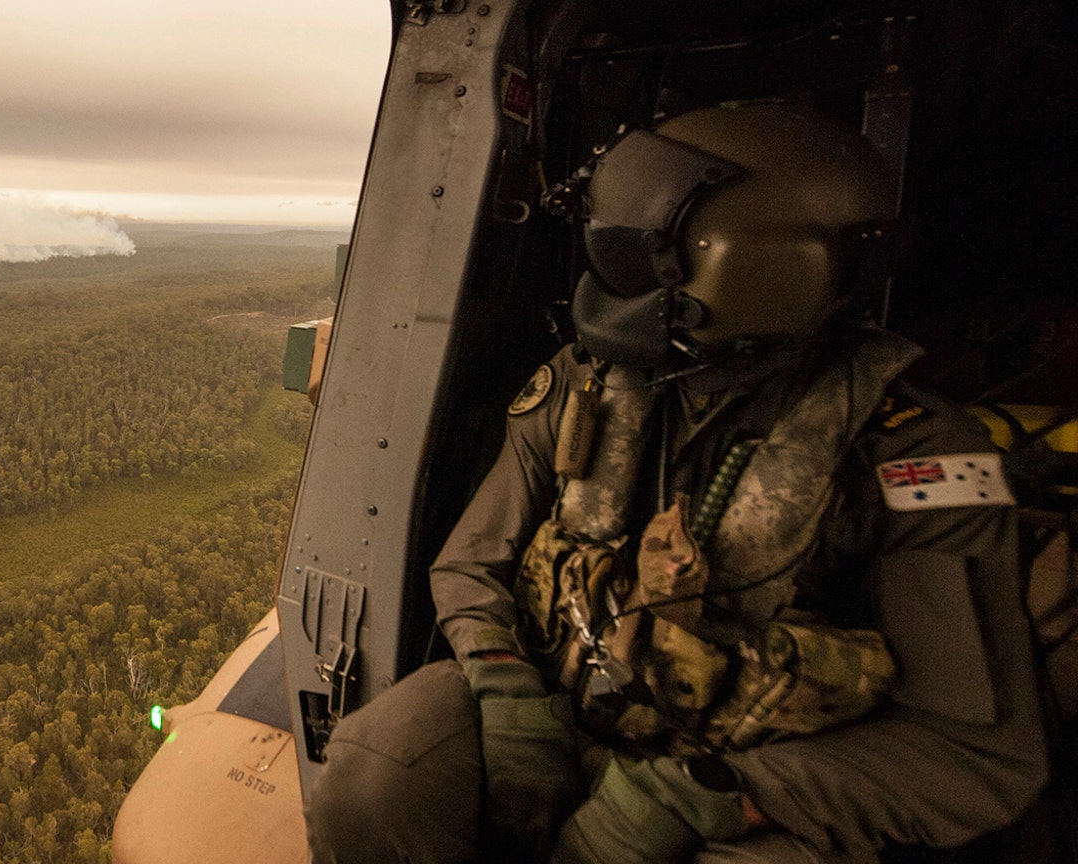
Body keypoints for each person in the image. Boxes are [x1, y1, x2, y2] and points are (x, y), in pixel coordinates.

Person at [305, 104, 1048, 864]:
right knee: (375, 778)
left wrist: (708, 794)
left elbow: (971, 754)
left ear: (759, 265)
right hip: (560, 709)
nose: (611, 279)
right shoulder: (582, 386)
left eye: (640, 259)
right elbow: (470, 564)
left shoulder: (912, 454)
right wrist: (503, 688)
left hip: (744, 774)